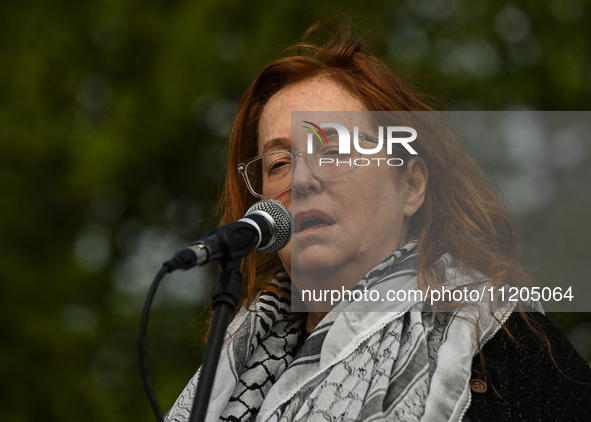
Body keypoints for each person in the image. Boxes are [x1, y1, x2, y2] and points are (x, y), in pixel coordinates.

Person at [164, 21, 591, 422]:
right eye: (278, 163)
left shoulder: (506, 351)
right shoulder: (228, 373)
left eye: (332, 150)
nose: (302, 179)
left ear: (410, 187)